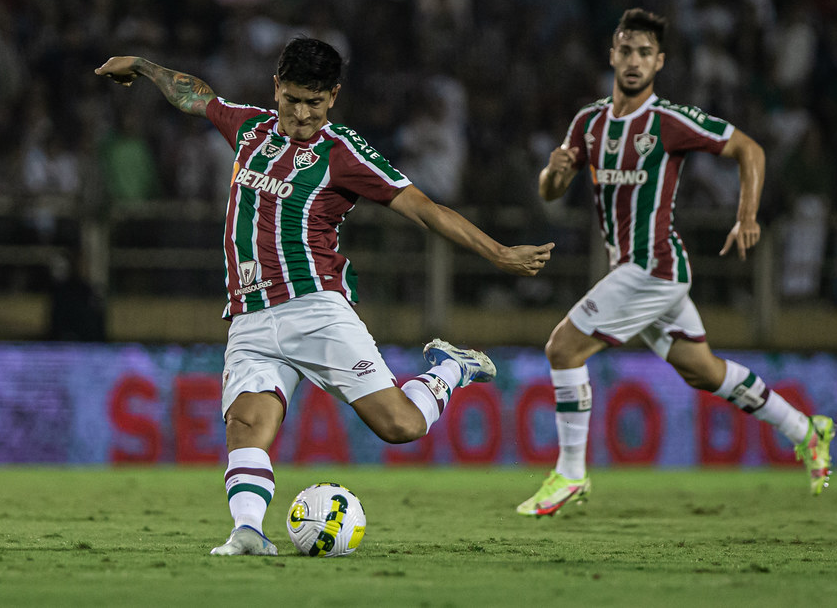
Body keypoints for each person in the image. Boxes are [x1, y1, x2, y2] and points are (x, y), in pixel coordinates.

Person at [96, 37, 554, 555]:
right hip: (249, 315)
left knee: (400, 425)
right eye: (292, 99)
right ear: (276, 88)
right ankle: (247, 532)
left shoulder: (343, 153)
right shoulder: (249, 128)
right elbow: (195, 96)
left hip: (315, 309)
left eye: (315, 102)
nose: (302, 114)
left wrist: (497, 253)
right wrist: (143, 66)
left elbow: (424, 208)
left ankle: (450, 368)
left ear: (333, 97)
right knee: (247, 424)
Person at [516, 9, 835, 517]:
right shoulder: (589, 123)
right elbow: (550, 191)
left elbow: (749, 150)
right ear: (613, 55)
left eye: (645, 52)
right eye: (627, 50)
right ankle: (805, 428)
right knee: (704, 371)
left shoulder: (669, 122)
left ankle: (571, 474)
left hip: (653, 266)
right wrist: (552, 174)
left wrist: (746, 216)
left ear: (659, 62)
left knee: (563, 349)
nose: (635, 60)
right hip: (636, 270)